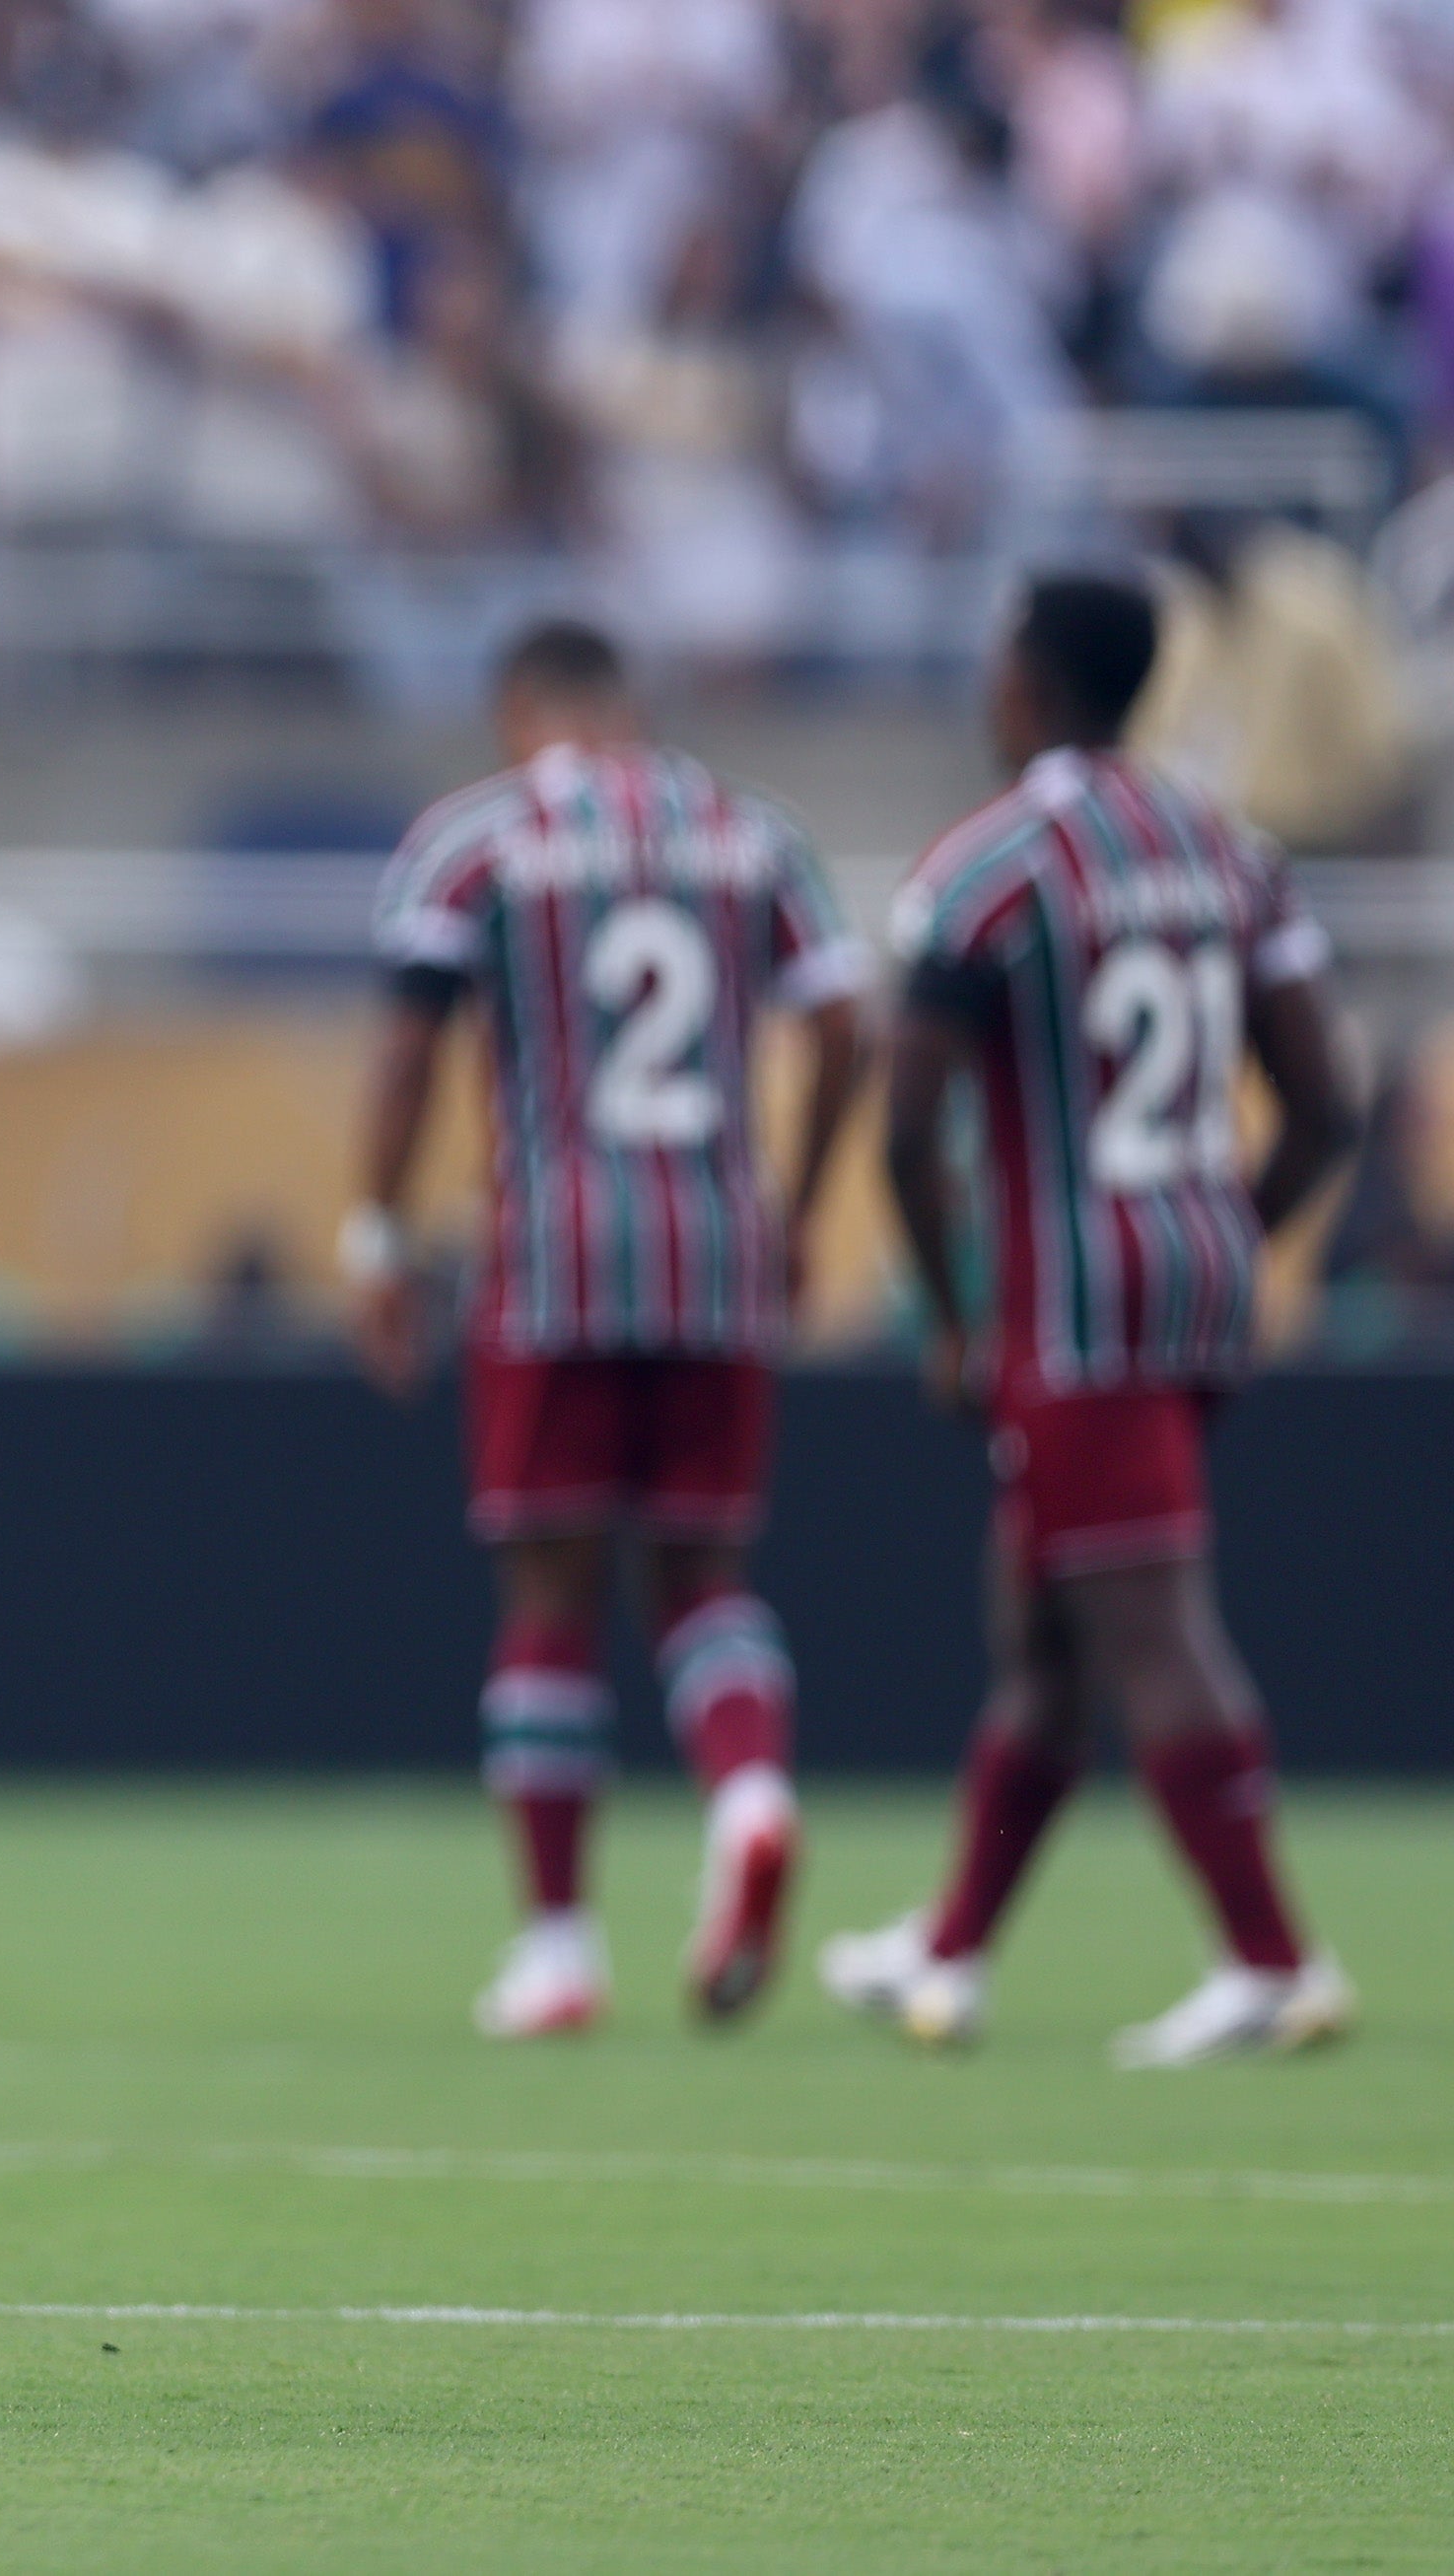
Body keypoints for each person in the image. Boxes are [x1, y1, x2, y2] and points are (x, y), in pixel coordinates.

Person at [818, 572, 1363, 2068]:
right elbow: (1328, 1102)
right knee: (1049, 1630)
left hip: (1068, 1306)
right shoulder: (1227, 851)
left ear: (1024, 686)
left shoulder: (988, 866)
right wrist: (1219, 1236)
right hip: (1192, 1280)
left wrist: (949, 1315)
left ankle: (1272, 1958)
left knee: (1149, 1622)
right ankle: (952, 1949)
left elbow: (907, 1128)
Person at [345, 617, 868, 2040]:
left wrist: (377, 1233)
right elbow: (845, 1026)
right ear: (623, 704)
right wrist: (802, 1202)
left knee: (550, 1596)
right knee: (705, 1571)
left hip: (554, 1256)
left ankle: (561, 1949)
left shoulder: (480, 838)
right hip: (715, 1246)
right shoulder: (753, 834)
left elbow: (408, 1045)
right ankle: (752, 1796)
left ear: (518, 706)